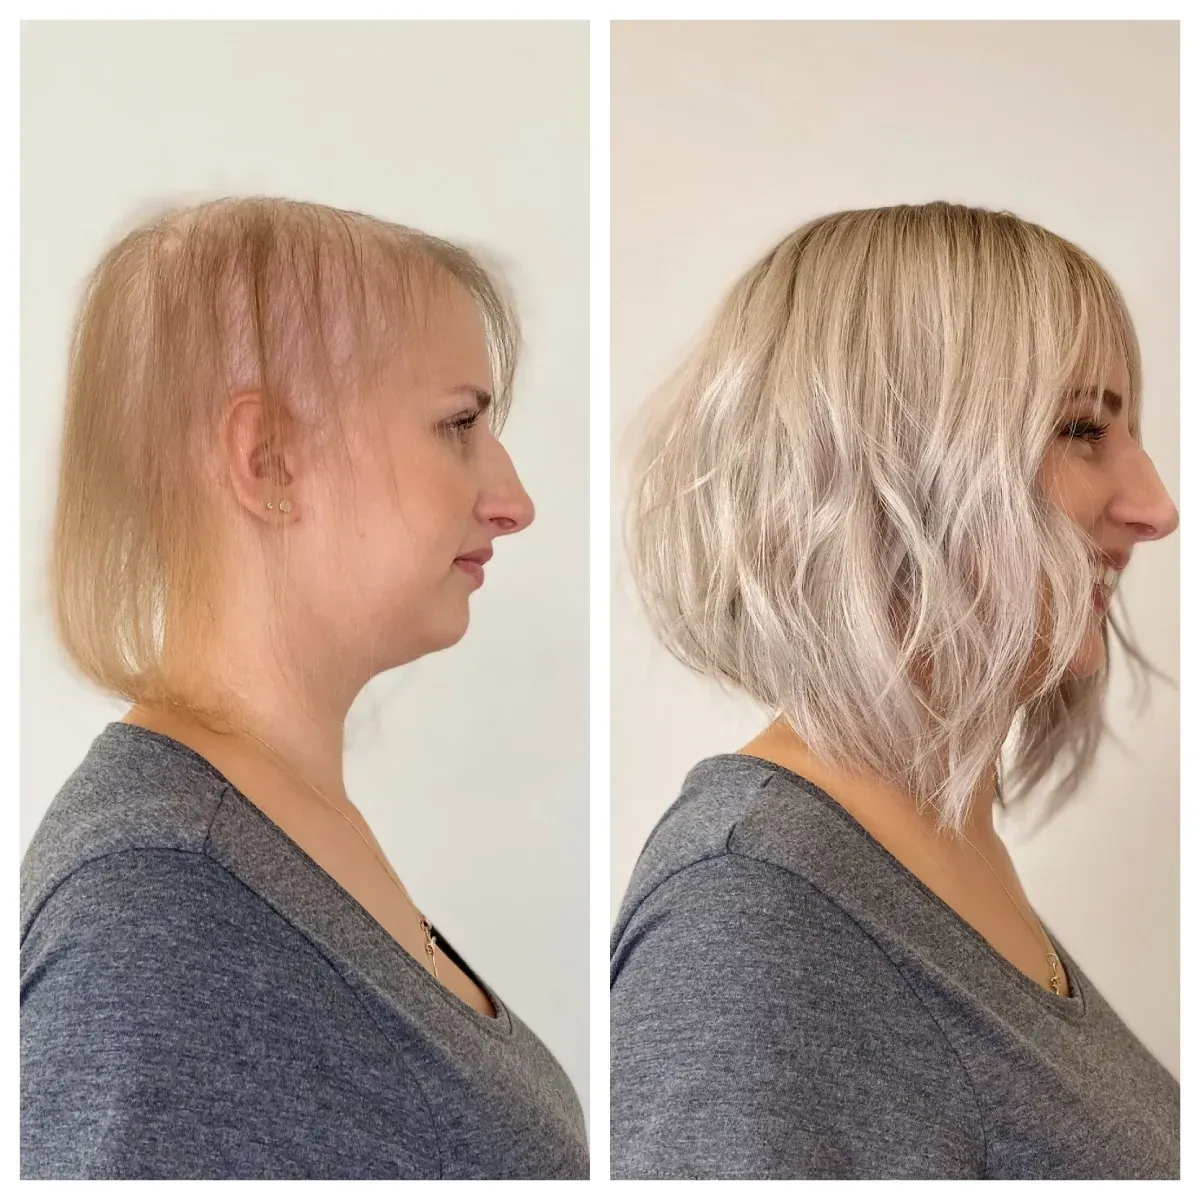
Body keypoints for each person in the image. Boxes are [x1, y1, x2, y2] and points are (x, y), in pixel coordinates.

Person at [611, 202, 1180, 1180]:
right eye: (1082, 430)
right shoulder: (753, 909)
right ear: (897, 464)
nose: (1156, 506)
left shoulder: (920, 848)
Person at [22, 197, 588, 1180]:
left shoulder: (259, 832)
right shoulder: (160, 899)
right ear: (267, 460)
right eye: (457, 423)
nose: (514, 500)